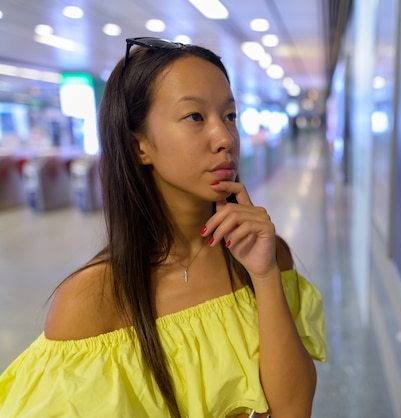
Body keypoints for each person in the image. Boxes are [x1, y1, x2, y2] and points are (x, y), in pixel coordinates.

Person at [0, 37, 327, 418]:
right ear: (139, 145)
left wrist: (266, 274)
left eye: (230, 116)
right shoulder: (90, 302)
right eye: (194, 117)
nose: (225, 138)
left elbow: (293, 409)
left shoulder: (265, 255)